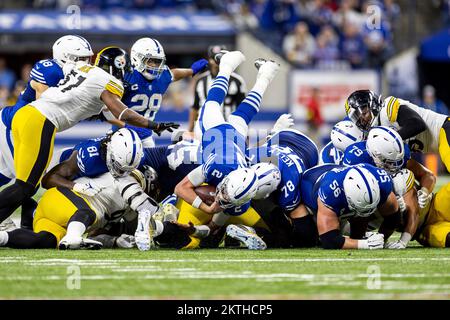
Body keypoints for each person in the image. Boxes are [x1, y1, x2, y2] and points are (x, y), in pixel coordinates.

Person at [0, 45, 179, 226]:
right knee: (25, 187)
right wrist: (153, 124)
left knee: (26, 187)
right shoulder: (109, 82)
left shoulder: (84, 69)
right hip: (41, 120)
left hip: (27, 115)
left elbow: (107, 114)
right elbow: (121, 112)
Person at [175, 51, 280, 226]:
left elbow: (219, 216)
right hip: (218, 133)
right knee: (211, 104)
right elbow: (180, 188)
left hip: (238, 141)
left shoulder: (243, 195)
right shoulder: (217, 168)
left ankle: (266, 74)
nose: (220, 196)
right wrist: (206, 208)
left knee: (244, 114)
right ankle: (227, 65)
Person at [0, 35, 94, 231]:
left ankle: (25, 223)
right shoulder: (49, 69)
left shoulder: (77, 75)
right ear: (65, 57)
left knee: (7, 177)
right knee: (27, 183)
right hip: (13, 125)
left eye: (87, 58)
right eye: (81, 58)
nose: (86, 63)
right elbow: (46, 104)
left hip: (20, 127)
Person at [107, 37, 208, 147]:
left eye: (157, 62)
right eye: (150, 61)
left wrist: (191, 70)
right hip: (121, 134)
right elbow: (107, 112)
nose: (155, 66)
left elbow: (173, 74)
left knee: (151, 162)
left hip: (145, 136)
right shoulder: (126, 77)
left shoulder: (162, 76)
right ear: (137, 58)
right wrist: (128, 125)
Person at [298, 163, 400, 250]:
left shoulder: (381, 181)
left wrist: (381, 239)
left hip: (340, 173)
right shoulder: (330, 192)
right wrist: (365, 244)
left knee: (358, 231)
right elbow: (329, 240)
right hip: (309, 184)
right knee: (310, 238)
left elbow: (393, 216)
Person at [345, 89, 450, 173]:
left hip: (444, 129)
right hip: (437, 145)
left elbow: (417, 124)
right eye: (358, 118)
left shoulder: (387, 109)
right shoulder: (376, 131)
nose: (363, 120)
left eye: (364, 113)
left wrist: (388, 140)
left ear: (373, 105)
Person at [188, 45, 247, 135]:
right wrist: (190, 130)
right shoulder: (200, 80)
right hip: (203, 129)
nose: (216, 62)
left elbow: (243, 110)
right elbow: (195, 107)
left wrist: (244, 133)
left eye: (220, 58)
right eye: (214, 58)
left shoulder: (237, 81)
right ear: (209, 59)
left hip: (229, 128)